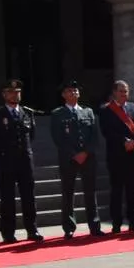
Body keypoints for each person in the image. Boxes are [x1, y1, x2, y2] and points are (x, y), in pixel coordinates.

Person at [0, 80, 43, 244]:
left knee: (29, 196)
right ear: (4, 94)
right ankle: (8, 233)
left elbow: (31, 136)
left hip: (25, 160)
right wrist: (2, 153)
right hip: (6, 161)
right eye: (11, 92)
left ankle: (32, 229)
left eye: (17, 91)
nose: (15, 94)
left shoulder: (27, 113)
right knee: (7, 198)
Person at [50, 81, 102, 239]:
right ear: (63, 95)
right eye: (69, 91)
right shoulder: (57, 114)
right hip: (68, 158)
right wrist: (74, 153)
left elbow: (94, 136)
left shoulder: (88, 112)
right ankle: (69, 227)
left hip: (88, 157)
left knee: (90, 192)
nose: (73, 93)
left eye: (75, 91)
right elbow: (58, 138)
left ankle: (94, 225)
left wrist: (85, 152)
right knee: (68, 192)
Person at [98, 80, 134, 233]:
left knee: (133, 191)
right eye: (121, 91)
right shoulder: (106, 110)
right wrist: (123, 141)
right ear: (114, 92)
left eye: (126, 91)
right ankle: (117, 223)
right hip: (116, 156)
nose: (124, 94)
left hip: (133, 154)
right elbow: (107, 131)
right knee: (117, 191)